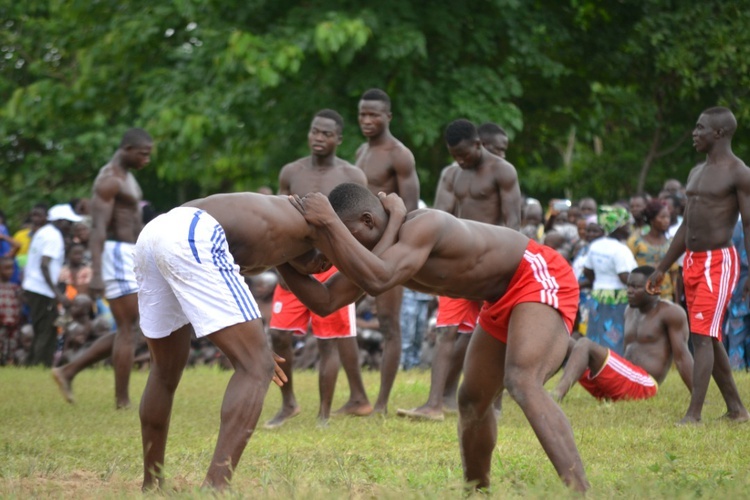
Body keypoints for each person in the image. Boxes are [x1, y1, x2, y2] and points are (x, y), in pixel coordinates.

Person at [280, 183, 588, 491]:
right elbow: (325, 302)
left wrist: (330, 222)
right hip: (498, 298)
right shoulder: (376, 254)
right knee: (471, 401)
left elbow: (380, 278)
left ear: (368, 221)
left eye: (343, 234)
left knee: (521, 379)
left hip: (535, 273)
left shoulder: (423, 225)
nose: (337, 246)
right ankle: (477, 491)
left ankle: (581, 490)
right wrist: (280, 258)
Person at [133, 188, 409, 491]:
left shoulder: (291, 230)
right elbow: (375, 275)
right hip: (192, 233)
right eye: (375, 235)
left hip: (156, 232)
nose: (327, 266)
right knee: (257, 368)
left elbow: (325, 301)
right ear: (366, 221)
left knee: (165, 370)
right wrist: (395, 217)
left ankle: (152, 485)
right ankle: (215, 489)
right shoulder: (324, 220)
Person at [397, 118, 522, 421]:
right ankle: (435, 404)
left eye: (465, 154)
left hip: (492, 264)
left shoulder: (502, 171)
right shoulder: (451, 174)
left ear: (479, 144)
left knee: (493, 333)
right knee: (447, 331)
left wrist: (506, 269)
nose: (461, 160)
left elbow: (514, 224)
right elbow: (439, 217)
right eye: (455, 155)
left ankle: (494, 404)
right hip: (459, 263)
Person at [266, 109, 372, 428]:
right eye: (315, 132)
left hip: (333, 263)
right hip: (296, 263)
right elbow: (279, 218)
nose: (319, 138)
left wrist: (359, 271)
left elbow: (363, 224)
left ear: (339, 139)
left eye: (326, 134)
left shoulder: (353, 175)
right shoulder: (291, 171)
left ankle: (323, 414)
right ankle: (288, 404)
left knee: (329, 341)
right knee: (278, 335)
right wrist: (282, 265)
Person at [647, 106, 750, 424]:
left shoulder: (739, 172)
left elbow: (749, 224)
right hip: (691, 262)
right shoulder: (695, 172)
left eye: (700, 128)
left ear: (718, 133)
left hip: (718, 261)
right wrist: (663, 265)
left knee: (702, 337)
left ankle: (694, 414)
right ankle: (736, 410)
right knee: (709, 335)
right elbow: (685, 226)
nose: (694, 133)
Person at [355, 88, 420, 413]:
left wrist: (392, 252)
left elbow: (407, 209)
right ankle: (357, 398)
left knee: (388, 324)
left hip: (388, 249)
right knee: (337, 318)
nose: (367, 120)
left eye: (373, 115)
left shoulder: (399, 154)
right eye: (362, 114)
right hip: (354, 248)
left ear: (388, 117)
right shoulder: (360, 152)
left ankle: (380, 403)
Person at [551, 266, 693, 402]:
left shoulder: (670, 312)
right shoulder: (629, 311)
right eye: (628, 286)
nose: (629, 291)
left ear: (654, 288)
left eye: (636, 287)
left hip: (644, 385)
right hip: (621, 382)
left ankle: (557, 394)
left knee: (585, 344)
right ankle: (536, 389)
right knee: (566, 341)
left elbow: (682, 357)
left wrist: (698, 397)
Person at [89, 127, 152, 409]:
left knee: (131, 326)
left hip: (130, 252)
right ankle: (122, 401)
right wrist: (97, 273)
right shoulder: (109, 180)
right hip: (115, 252)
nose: (146, 160)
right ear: (126, 149)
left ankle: (69, 370)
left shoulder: (128, 177)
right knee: (129, 327)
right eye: (143, 154)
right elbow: (97, 229)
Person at [23, 204, 82, 367]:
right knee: (47, 329)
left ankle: (31, 364)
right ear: (61, 221)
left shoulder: (44, 232)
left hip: (34, 287)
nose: (71, 227)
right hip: (42, 289)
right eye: (69, 223)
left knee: (40, 328)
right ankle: (40, 365)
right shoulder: (54, 236)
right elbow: (44, 264)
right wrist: (57, 293)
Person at [583, 205, 638, 355]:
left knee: (596, 333)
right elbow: (624, 276)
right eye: (626, 225)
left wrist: (598, 281)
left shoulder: (595, 245)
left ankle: (593, 364)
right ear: (618, 227)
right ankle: (612, 366)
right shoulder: (621, 250)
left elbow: (587, 270)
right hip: (617, 298)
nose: (629, 228)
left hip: (597, 295)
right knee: (614, 336)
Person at [628, 199, 677, 301]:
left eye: (668, 217)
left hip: (665, 296)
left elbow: (674, 274)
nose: (666, 221)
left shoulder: (672, 243)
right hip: (642, 297)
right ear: (652, 219)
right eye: (662, 217)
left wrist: (676, 301)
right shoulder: (635, 242)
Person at [0, 256, 22, 365]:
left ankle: (9, 362)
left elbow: (18, 304)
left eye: (12, 268)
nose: (10, 271)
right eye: (7, 268)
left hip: (13, 323)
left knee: (12, 345)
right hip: (1, 323)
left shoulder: (14, 287)